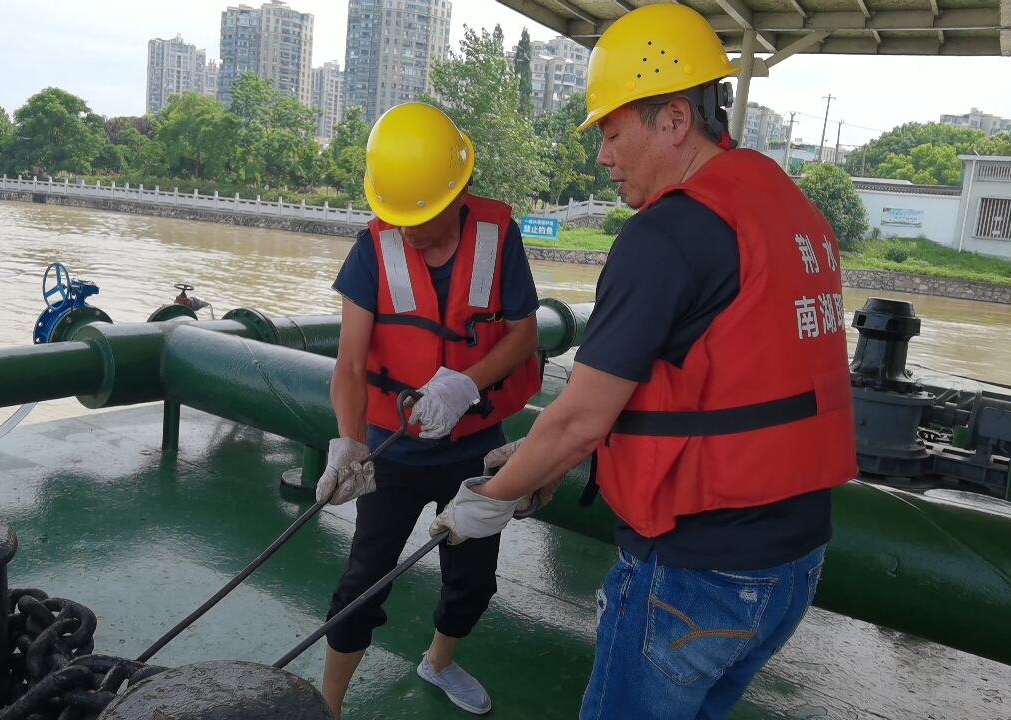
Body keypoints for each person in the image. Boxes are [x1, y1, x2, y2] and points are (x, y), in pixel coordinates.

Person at [429, 5, 859, 720]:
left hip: (697, 572)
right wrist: (534, 467)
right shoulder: (792, 211)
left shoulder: (664, 235)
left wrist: (489, 499)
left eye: (611, 131)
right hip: (793, 564)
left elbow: (581, 420)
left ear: (675, 120)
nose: (603, 156)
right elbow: (713, 380)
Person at [316, 101, 542, 719]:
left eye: (420, 216)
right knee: (362, 582)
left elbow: (523, 333)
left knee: (473, 578)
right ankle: (329, 706)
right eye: (395, 215)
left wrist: (463, 385)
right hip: (391, 451)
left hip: (475, 448)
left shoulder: (498, 236)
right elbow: (351, 365)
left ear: (459, 191)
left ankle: (438, 662)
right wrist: (349, 443)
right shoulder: (373, 248)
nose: (406, 229)